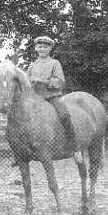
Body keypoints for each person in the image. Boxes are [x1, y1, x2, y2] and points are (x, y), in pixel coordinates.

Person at [25, 35, 81, 163]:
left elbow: (60, 81)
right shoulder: (32, 66)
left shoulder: (55, 63)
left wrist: (42, 81)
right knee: (21, 117)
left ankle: (75, 148)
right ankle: (22, 151)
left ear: (50, 49)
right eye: (40, 46)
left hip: (51, 97)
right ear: (36, 48)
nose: (42, 49)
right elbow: (26, 83)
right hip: (35, 99)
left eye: (45, 47)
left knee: (64, 115)